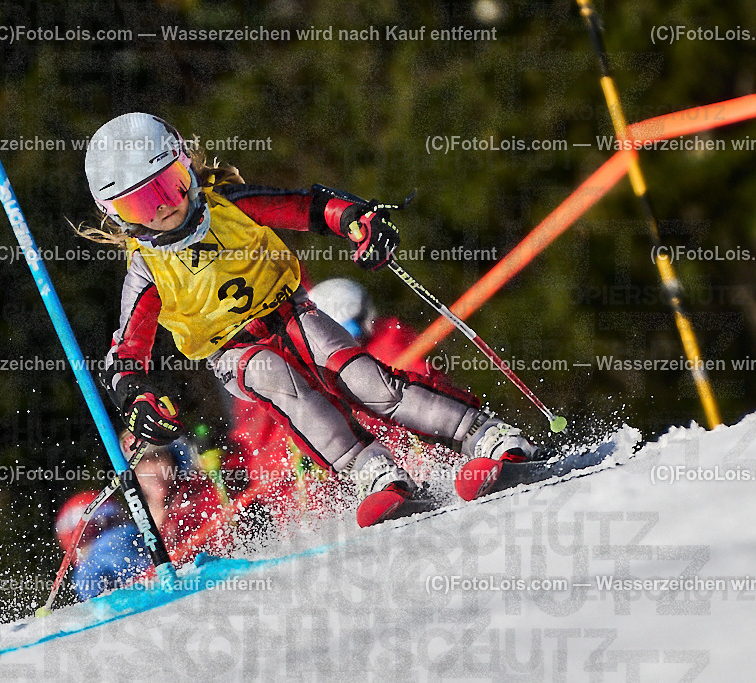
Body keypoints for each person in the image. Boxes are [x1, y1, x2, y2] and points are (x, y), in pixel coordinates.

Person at [78, 112, 539, 528]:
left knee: (365, 381)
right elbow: (127, 353)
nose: (163, 208)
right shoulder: (146, 270)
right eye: (141, 205)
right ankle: (371, 471)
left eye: (169, 186)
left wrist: (358, 222)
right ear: (118, 217)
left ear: (185, 167)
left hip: (289, 312)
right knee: (281, 383)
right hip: (234, 350)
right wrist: (137, 398)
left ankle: (484, 434)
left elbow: (307, 207)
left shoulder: (227, 205)